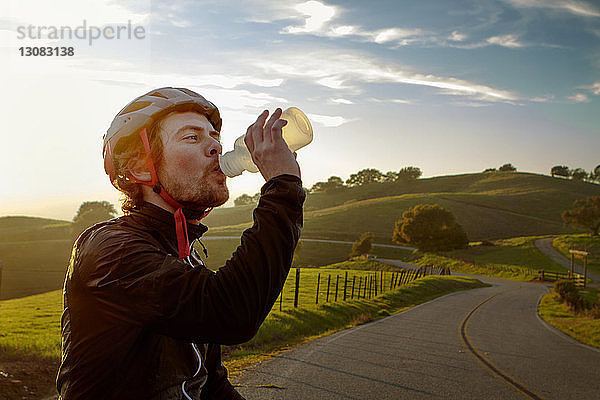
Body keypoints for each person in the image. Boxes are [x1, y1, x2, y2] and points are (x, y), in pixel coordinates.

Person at [56, 87, 305, 399]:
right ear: (140, 168)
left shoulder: (184, 255)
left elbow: (209, 381)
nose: (215, 146)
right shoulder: (110, 248)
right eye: (192, 137)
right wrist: (283, 186)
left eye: (214, 137)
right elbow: (231, 313)